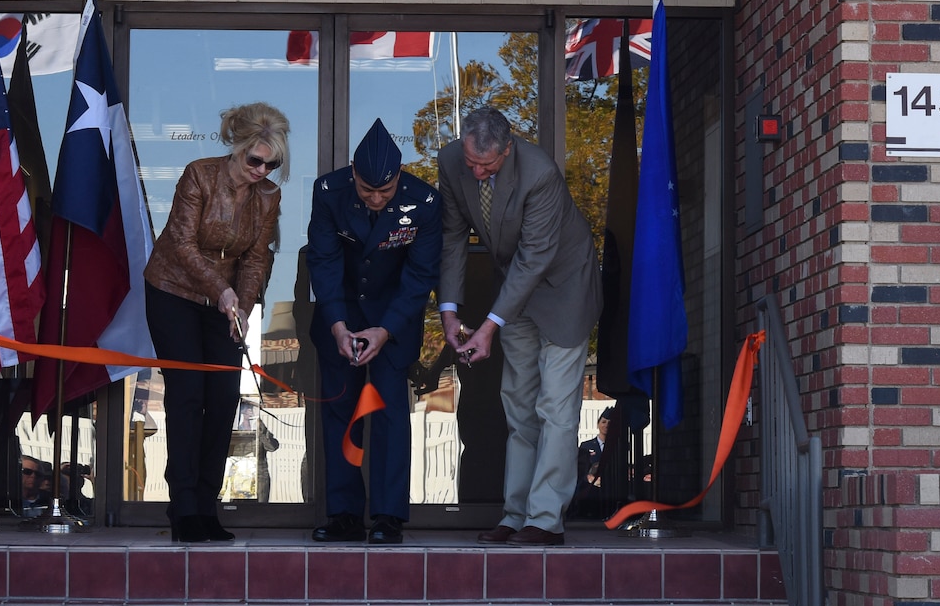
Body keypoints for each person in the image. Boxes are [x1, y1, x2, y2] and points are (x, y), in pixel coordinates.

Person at [437, 106, 601, 547]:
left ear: (508, 150)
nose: (476, 171)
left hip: (562, 284)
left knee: (555, 408)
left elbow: (534, 259)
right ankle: (515, 515)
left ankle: (545, 521)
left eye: (486, 165)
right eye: (471, 161)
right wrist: (450, 311)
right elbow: (453, 237)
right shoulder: (452, 162)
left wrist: (487, 327)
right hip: (514, 287)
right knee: (517, 403)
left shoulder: (540, 173)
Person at [141, 101, 289, 544]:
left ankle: (207, 507)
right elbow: (183, 244)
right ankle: (183, 509)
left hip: (222, 303)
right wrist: (219, 290)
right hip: (173, 291)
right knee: (187, 397)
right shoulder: (199, 174)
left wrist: (240, 306)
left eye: (273, 163)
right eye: (255, 159)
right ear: (237, 149)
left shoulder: (268, 197)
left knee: (224, 400)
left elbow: (256, 257)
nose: (262, 169)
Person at [306, 119, 442, 545]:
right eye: (368, 190)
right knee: (340, 414)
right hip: (340, 312)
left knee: (388, 415)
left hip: (393, 318)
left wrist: (385, 329)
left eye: (385, 190)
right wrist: (338, 326)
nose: (377, 198)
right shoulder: (329, 192)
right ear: (353, 173)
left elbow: (421, 275)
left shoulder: (424, 200)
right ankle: (344, 512)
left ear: (400, 176)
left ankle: (387, 515)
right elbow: (323, 261)